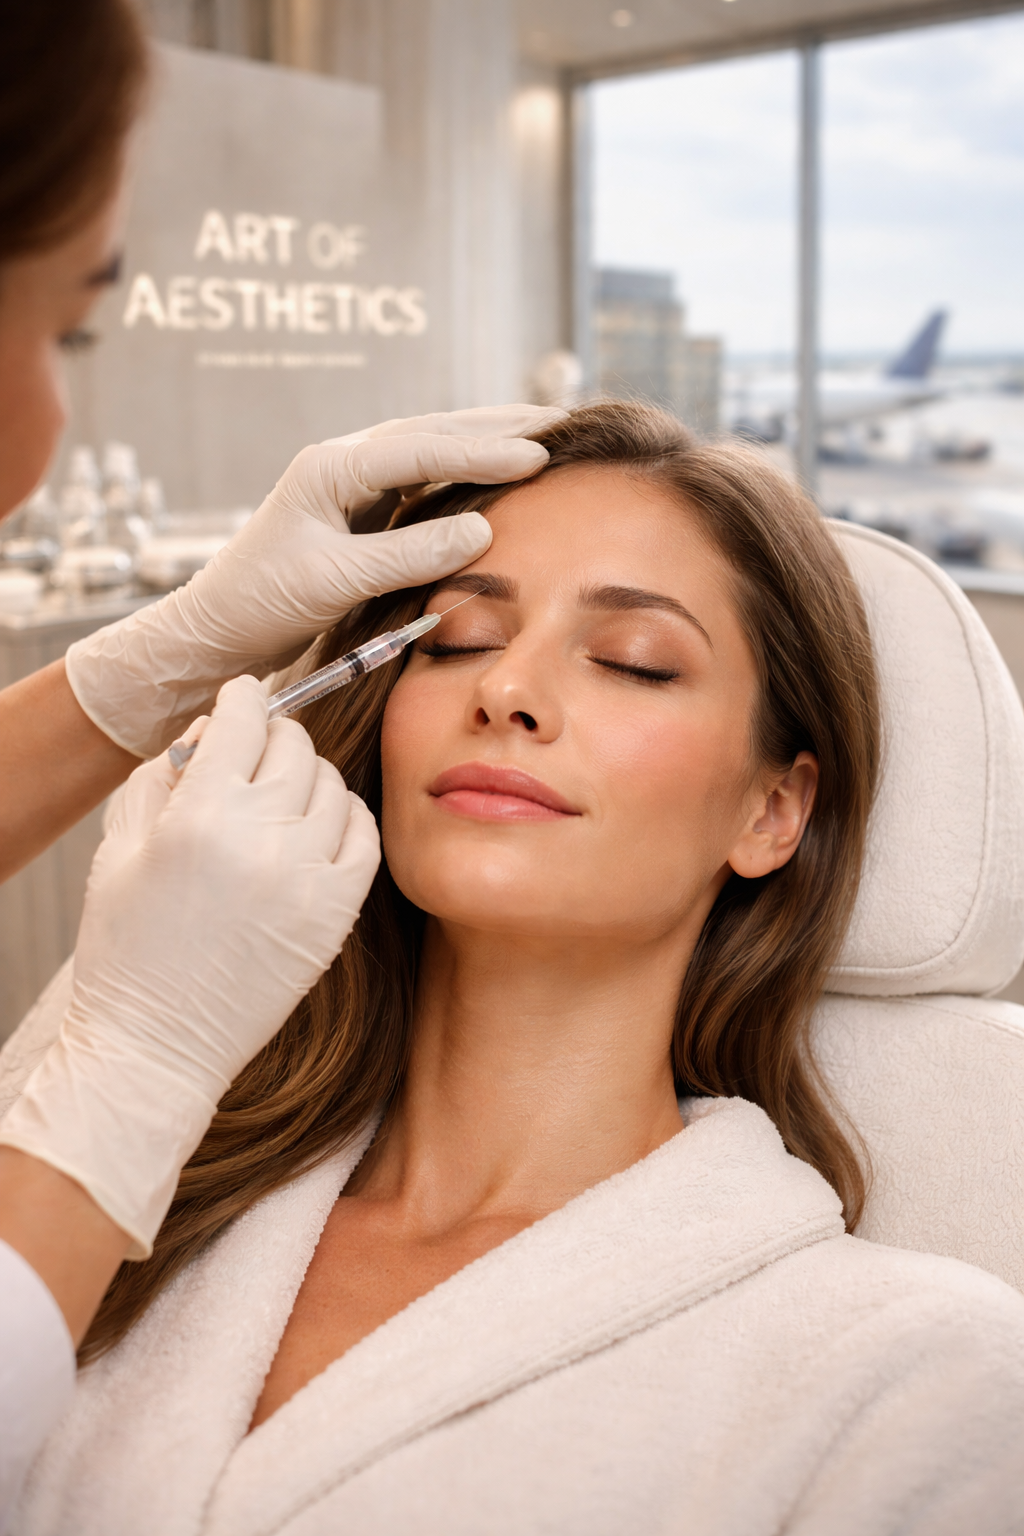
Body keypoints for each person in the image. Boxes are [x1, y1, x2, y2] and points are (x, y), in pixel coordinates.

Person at [7, 402, 1023, 1534]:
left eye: (634, 664)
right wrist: (158, 657)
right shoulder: (113, 1193)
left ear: (772, 807)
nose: (506, 690)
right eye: (454, 641)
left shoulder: (905, 1370)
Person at [0, 0, 556, 1513]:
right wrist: (120, 1076)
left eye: (635, 660)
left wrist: (157, 656)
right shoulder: (211, 1155)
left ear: (781, 804)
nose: (47, 430)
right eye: (53, 323)